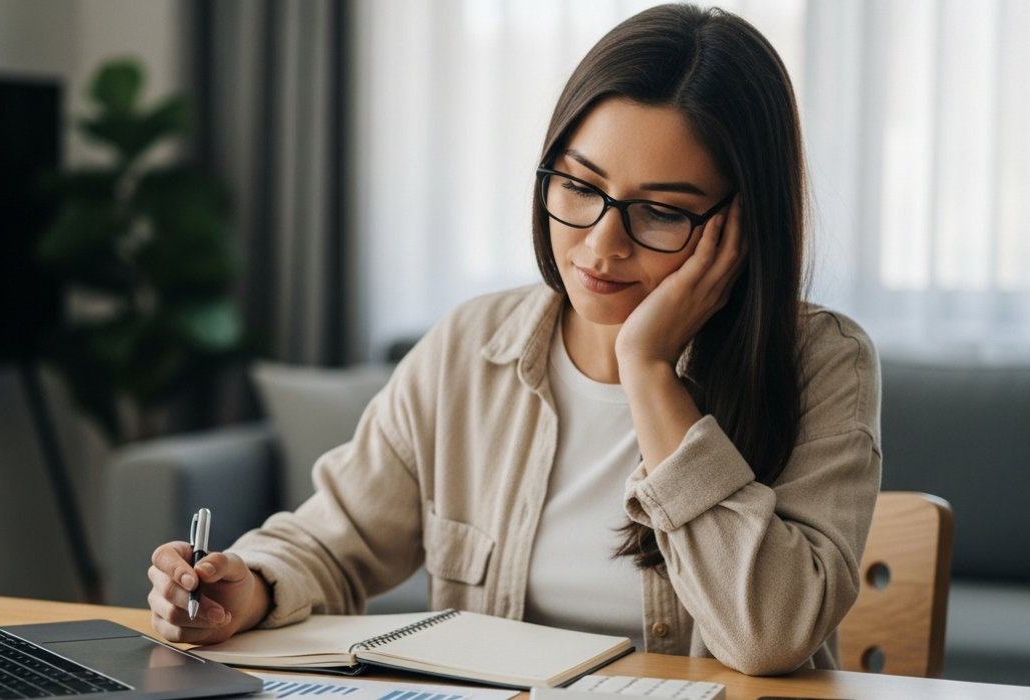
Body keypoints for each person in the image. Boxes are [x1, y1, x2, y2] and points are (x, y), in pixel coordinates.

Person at [147, 3, 880, 676]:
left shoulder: (823, 363)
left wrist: (649, 371)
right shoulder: (472, 344)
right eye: (580, 187)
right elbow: (333, 542)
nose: (601, 246)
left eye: (659, 212)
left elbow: (770, 637)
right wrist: (250, 586)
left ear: (743, 226)